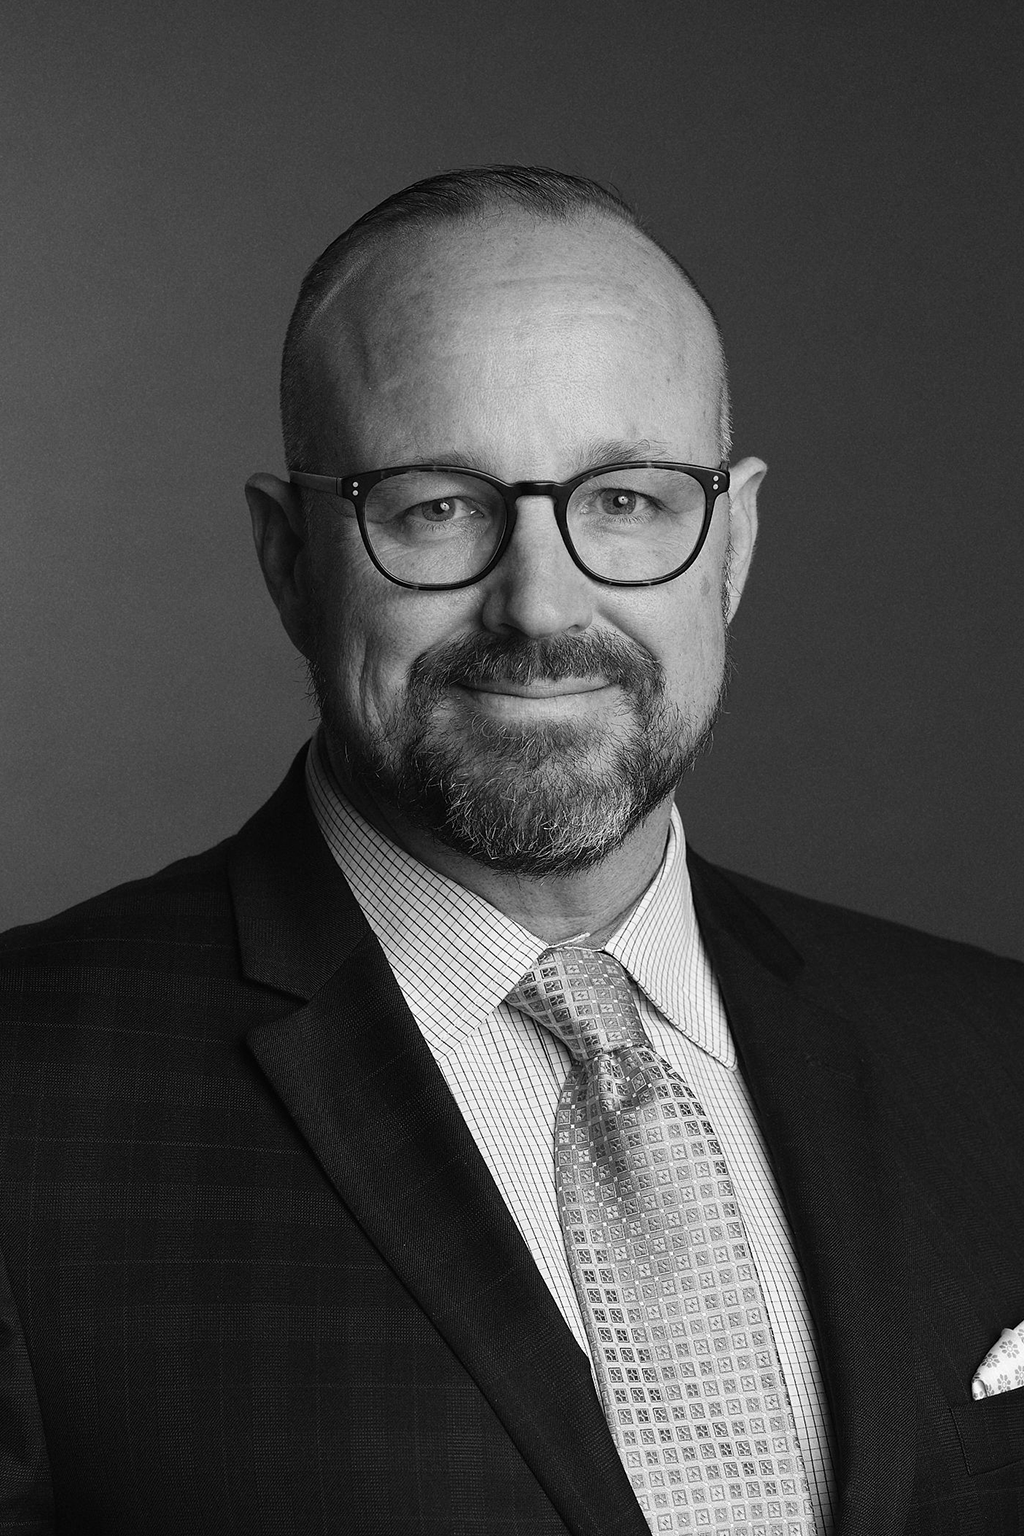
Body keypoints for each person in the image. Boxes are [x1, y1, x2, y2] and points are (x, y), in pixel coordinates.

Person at [1, 165, 1022, 1536]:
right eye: (436, 507)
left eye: (628, 501)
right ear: (289, 559)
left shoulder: (996, 1058)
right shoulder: (28, 1109)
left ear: (733, 543)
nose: (541, 603)